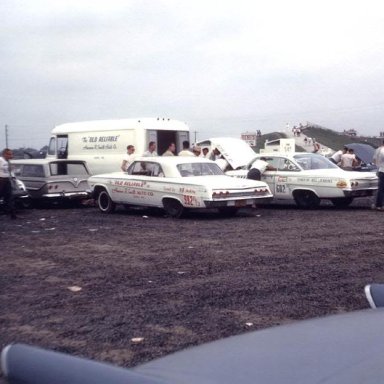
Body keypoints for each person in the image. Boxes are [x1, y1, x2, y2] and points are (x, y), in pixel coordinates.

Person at [0, 148, 16, 219]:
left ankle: (13, 214)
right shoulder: (0, 160)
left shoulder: (8, 161)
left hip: (7, 180)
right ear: (4, 154)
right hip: (1, 180)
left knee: (9, 197)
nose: (11, 156)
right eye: (9, 154)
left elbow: (10, 170)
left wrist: (13, 177)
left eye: (11, 154)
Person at [373, 140, 384, 210]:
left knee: (381, 189)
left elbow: (374, 160)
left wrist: (378, 166)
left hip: (381, 170)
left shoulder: (378, 150)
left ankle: (379, 205)